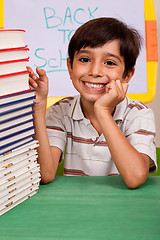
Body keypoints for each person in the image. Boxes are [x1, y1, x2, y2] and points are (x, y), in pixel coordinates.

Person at [28, 17, 157, 189]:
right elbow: (44, 174)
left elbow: (135, 177)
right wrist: (38, 106)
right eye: (85, 60)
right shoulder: (61, 111)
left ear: (127, 74)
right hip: (78, 207)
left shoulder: (139, 113)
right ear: (70, 67)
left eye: (109, 63)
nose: (95, 71)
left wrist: (102, 111)